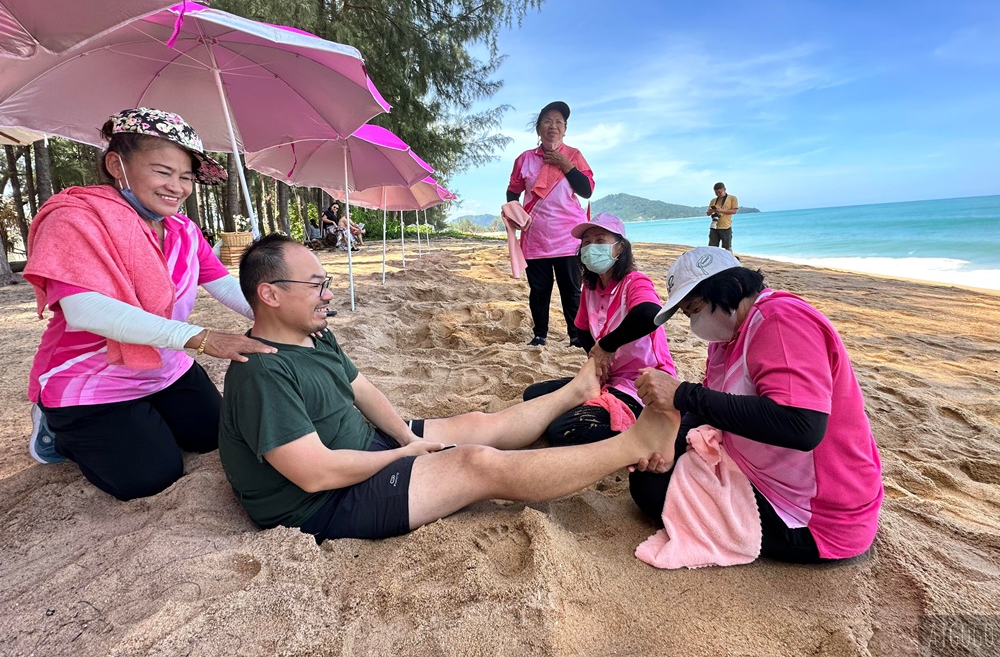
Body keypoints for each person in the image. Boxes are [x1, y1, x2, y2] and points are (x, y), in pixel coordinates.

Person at [218, 234, 679, 542]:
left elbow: (363, 390)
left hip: (360, 448)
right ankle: (632, 444)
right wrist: (400, 456)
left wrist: (405, 437)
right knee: (476, 465)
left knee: (478, 424)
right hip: (320, 504)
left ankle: (575, 392)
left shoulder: (313, 335)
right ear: (270, 294)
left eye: (328, 282)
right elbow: (315, 474)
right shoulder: (261, 372)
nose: (329, 295)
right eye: (317, 284)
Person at [23, 107, 277, 501]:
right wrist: (202, 338)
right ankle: (54, 429)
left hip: (164, 366)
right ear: (116, 164)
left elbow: (222, 284)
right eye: (163, 171)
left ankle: (147, 418)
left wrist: (278, 313)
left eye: (187, 177)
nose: (176, 186)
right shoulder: (75, 219)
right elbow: (84, 310)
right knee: (151, 477)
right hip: (92, 379)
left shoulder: (182, 230)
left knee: (216, 436)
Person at [629, 247, 884, 562]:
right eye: (688, 314)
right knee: (652, 463)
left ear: (733, 289)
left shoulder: (781, 320)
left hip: (818, 515)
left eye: (695, 308)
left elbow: (802, 426)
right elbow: (713, 406)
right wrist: (665, 436)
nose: (695, 321)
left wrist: (683, 394)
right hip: (762, 469)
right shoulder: (727, 339)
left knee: (649, 488)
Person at [523, 213, 678, 446]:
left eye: (600, 240)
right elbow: (582, 330)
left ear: (620, 247)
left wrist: (606, 346)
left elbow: (650, 314)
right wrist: (597, 359)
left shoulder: (634, 282)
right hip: (610, 377)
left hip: (643, 382)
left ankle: (642, 430)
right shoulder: (591, 287)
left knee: (564, 430)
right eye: (586, 243)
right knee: (533, 394)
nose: (591, 247)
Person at [506, 101, 594, 347]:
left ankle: (575, 336)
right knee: (539, 290)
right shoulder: (524, 159)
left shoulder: (574, 155)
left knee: (572, 290)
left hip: (569, 236)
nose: (553, 126)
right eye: (547, 120)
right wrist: (514, 212)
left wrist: (565, 164)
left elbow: (586, 190)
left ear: (565, 129)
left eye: (559, 122)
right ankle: (540, 334)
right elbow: (512, 192)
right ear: (538, 128)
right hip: (535, 237)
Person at [706, 182, 738, 252]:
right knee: (712, 248)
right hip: (714, 227)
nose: (718, 194)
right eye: (716, 192)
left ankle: (731, 262)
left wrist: (722, 211)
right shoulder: (713, 200)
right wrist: (711, 211)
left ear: (725, 189)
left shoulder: (732, 198)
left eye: (720, 192)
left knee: (728, 248)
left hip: (726, 227)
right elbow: (708, 213)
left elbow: (734, 211)